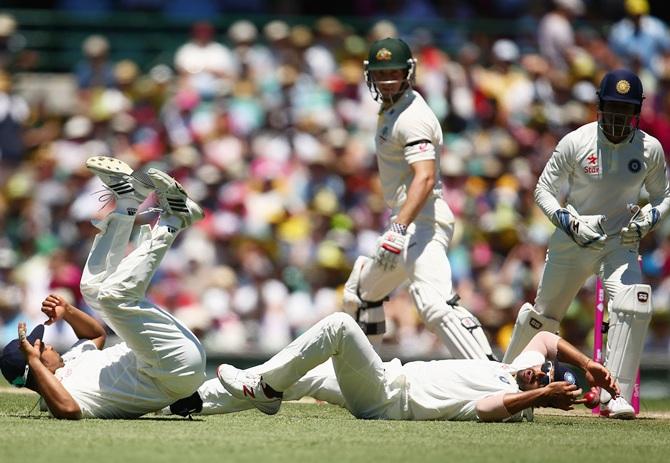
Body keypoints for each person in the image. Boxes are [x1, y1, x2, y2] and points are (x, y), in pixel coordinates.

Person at [502, 69, 670, 419]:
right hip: (573, 238)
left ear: (636, 111)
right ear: (600, 107)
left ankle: (616, 396)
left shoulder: (649, 149)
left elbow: (663, 197)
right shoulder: (576, 142)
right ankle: (504, 382)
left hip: (620, 241)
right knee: (543, 319)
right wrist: (566, 220)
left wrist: (650, 219)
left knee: (634, 304)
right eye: (612, 108)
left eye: (625, 110)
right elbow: (543, 191)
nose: (618, 117)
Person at [0, 156, 207, 419]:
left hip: (164, 357)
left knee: (92, 289)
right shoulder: (60, 396)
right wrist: (32, 361)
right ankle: (174, 220)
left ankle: (128, 204)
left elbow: (95, 335)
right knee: (111, 297)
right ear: (34, 368)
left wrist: (68, 310)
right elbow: (69, 411)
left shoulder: (71, 361)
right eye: (41, 349)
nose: (49, 346)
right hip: (171, 374)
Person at [342, 37, 494, 360]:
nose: (386, 82)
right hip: (406, 221)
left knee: (433, 302)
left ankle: (495, 375)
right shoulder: (390, 109)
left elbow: (424, 178)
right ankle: (364, 377)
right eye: (380, 75)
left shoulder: (412, 116)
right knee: (362, 292)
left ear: (408, 73)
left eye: (393, 73)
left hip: (422, 222)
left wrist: (398, 228)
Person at [214, 312, 619, 422]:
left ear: (546, 395)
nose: (541, 371)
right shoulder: (518, 368)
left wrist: (540, 397)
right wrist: (588, 364)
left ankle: (265, 389)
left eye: (546, 380)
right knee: (305, 378)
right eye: (546, 370)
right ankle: (194, 400)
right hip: (388, 378)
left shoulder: (517, 404)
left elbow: (484, 410)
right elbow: (547, 341)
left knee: (339, 326)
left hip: (389, 396)